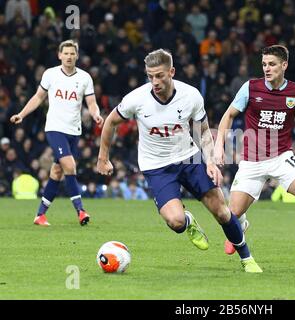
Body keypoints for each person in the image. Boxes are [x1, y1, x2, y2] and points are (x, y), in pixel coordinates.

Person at [97, 49, 262, 273]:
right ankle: (188, 221)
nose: (154, 81)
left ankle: (247, 258)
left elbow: (203, 131)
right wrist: (103, 158)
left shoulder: (191, 96)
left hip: (189, 158)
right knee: (175, 222)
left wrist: (211, 161)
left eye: (159, 75)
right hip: (156, 166)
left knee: (222, 212)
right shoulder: (136, 99)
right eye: (150, 76)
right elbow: (110, 122)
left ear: (172, 72)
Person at [214, 45, 295, 268]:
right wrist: (218, 146)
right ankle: (240, 225)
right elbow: (228, 115)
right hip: (252, 161)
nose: (267, 68)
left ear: (284, 65)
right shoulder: (250, 88)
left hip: (281, 157)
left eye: (272, 64)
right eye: (264, 64)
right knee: (231, 215)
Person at [10, 40, 104, 226]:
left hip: (74, 130)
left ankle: (40, 215)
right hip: (54, 128)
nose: (69, 57)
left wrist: (95, 114)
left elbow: (91, 102)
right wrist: (22, 114)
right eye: (66, 53)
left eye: (72, 54)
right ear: (59, 55)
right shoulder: (50, 74)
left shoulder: (85, 78)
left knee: (57, 170)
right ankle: (81, 211)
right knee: (70, 166)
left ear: (77, 56)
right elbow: (38, 97)